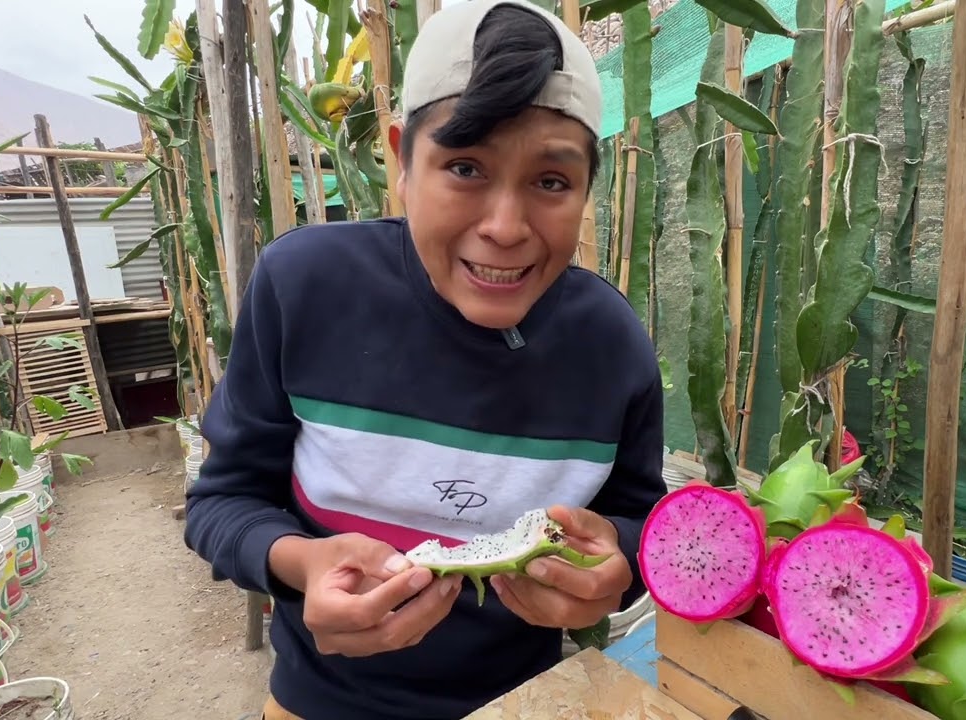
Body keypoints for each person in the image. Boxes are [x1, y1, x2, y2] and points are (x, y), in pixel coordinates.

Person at [182, 0, 667, 718]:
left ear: (588, 187)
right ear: (400, 159)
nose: (504, 228)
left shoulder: (612, 345)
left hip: (529, 701)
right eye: (465, 167)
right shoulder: (304, 288)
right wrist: (301, 563)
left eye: (552, 182)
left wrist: (621, 564)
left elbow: (638, 518)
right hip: (319, 703)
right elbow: (220, 504)